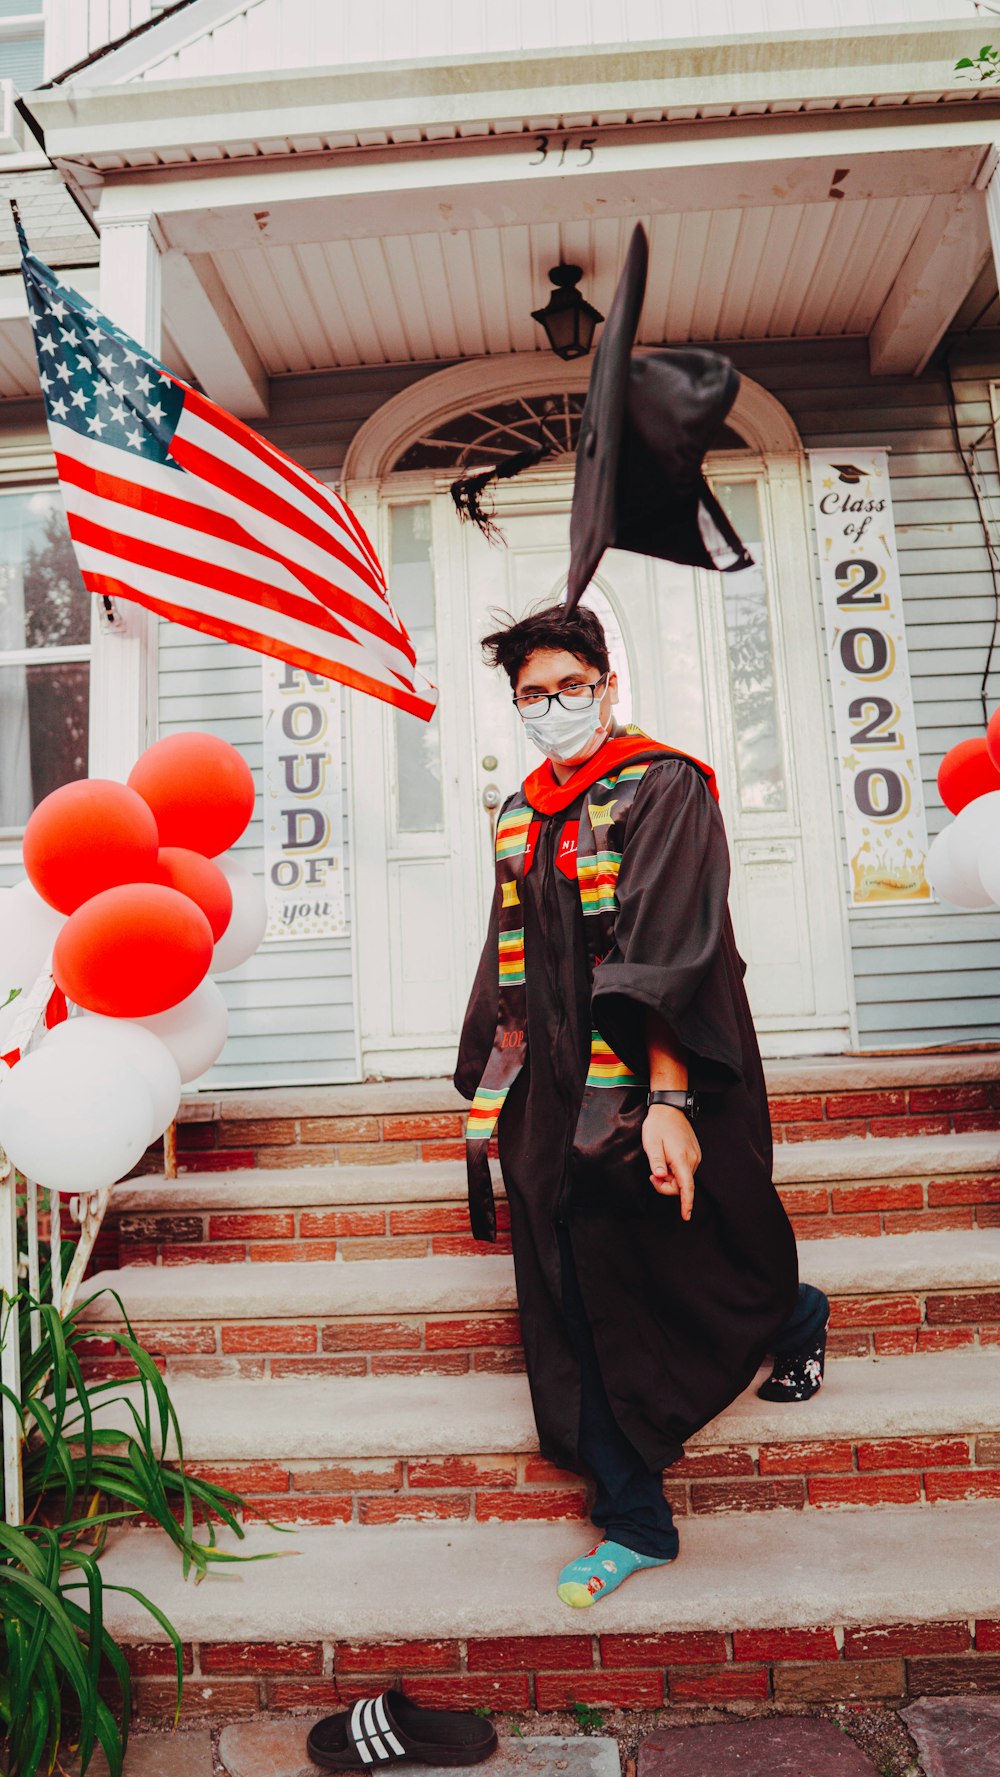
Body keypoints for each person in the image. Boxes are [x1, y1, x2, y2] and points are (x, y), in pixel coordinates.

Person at [455, 602, 830, 1609]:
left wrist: (666, 1098)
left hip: (657, 1059)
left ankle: (790, 1312)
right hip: (552, 1075)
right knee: (567, 1274)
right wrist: (495, 1077)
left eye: (569, 688)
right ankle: (635, 1518)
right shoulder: (520, 809)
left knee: (699, 1238)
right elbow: (510, 955)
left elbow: (666, 947)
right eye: (531, 695)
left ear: (608, 687)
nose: (551, 709)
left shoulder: (661, 783)